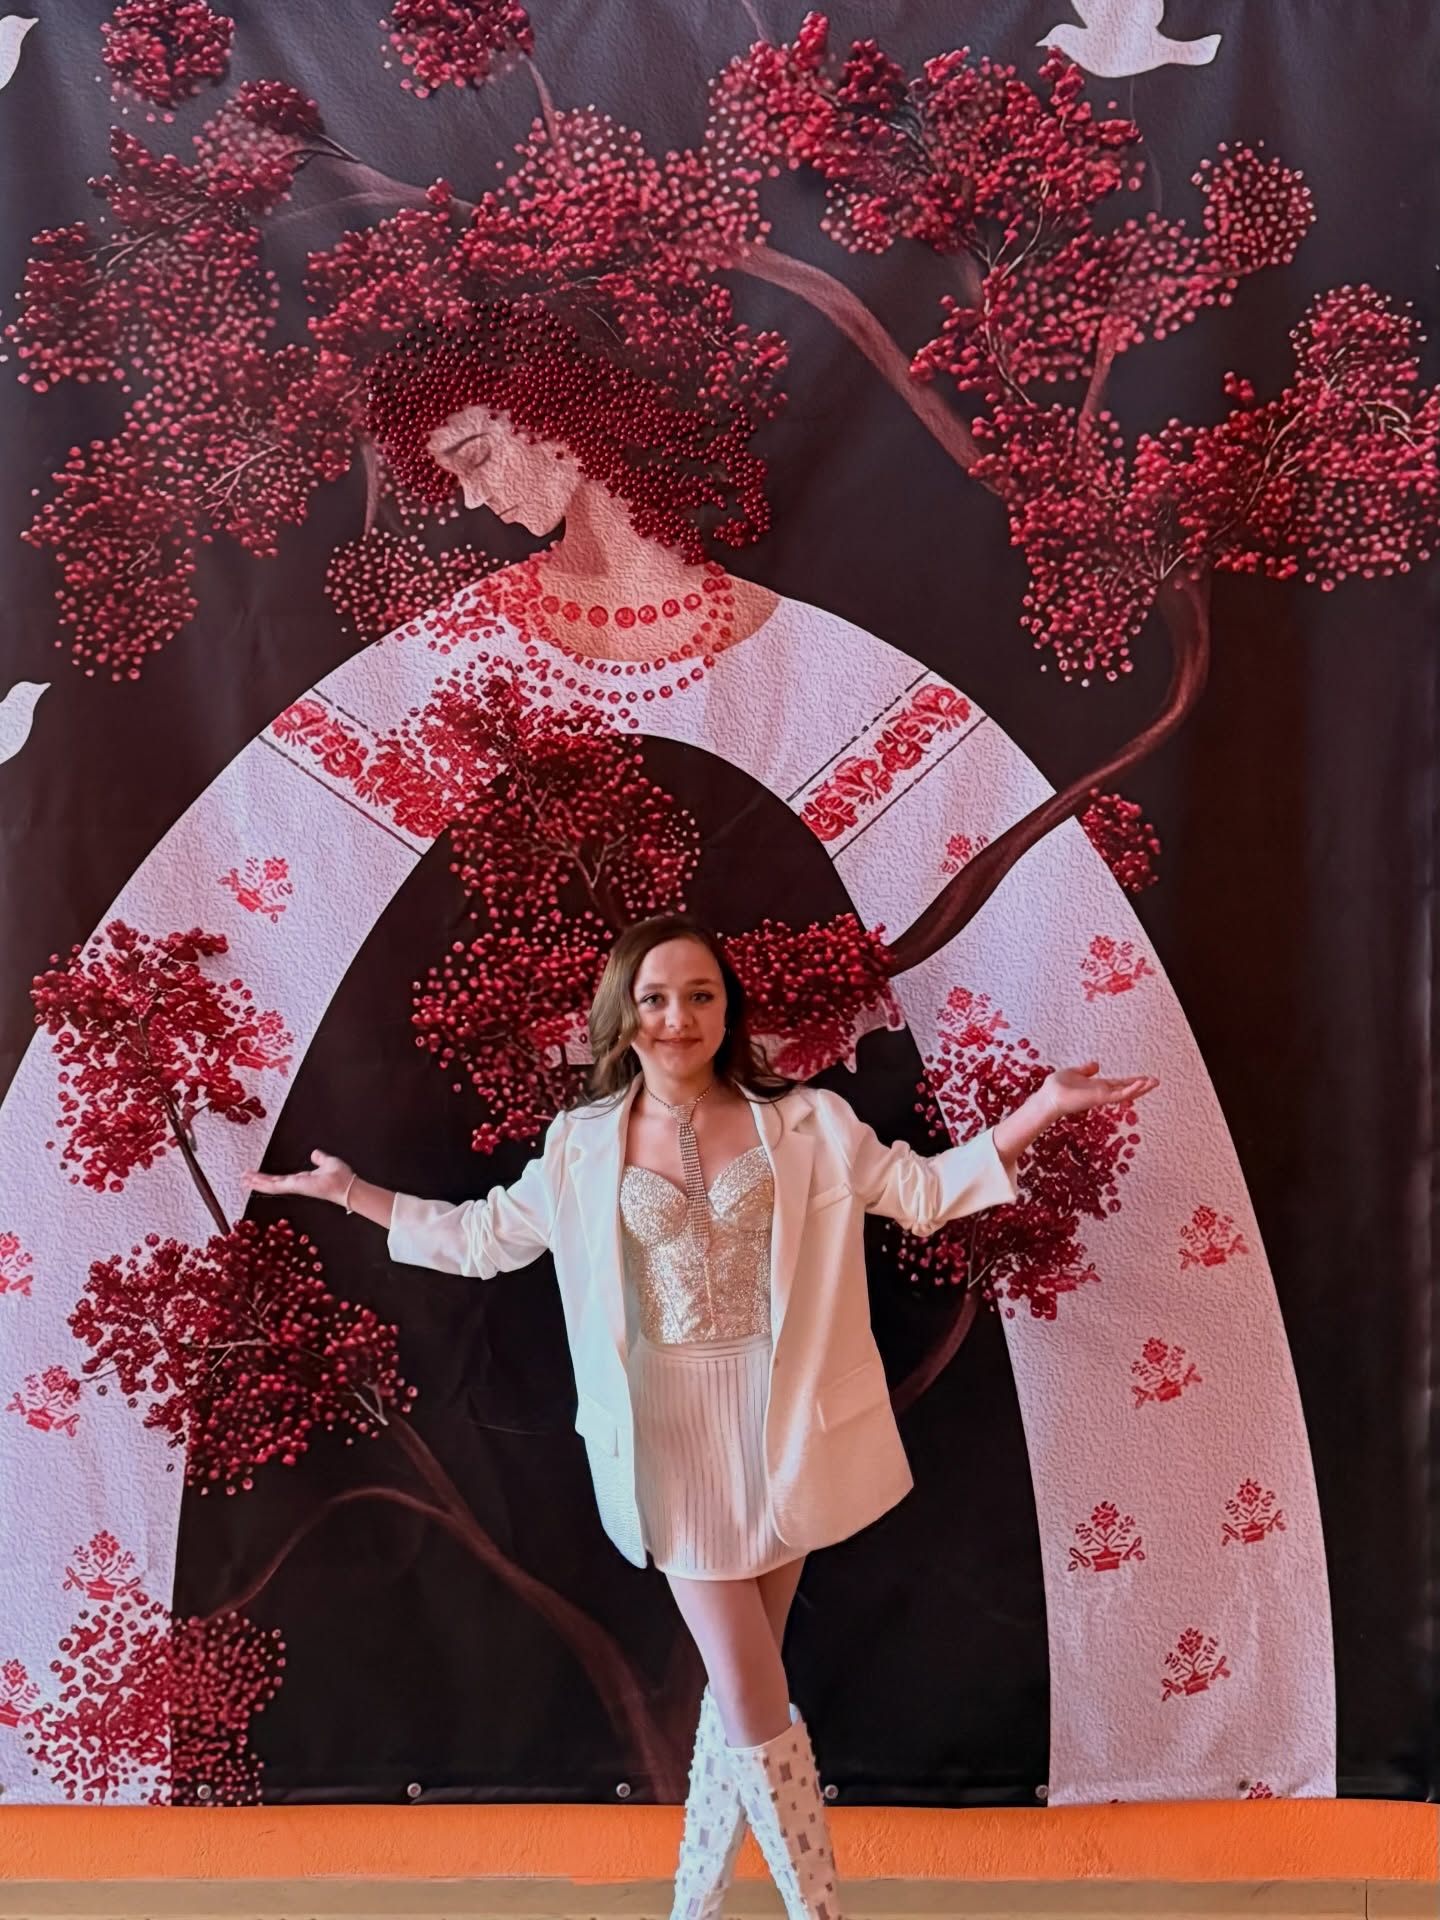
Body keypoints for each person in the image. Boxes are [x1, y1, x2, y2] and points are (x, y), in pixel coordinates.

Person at [244, 912, 1158, 1920]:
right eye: (655, 998)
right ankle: (820, 1909)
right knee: (753, 1693)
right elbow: (483, 1238)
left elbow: (924, 1192)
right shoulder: (583, 1143)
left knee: (740, 1692)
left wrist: (1043, 1108)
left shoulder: (808, 1121)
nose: (677, 1017)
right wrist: (353, 1193)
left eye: (700, 995)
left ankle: (696, 1906)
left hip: (787, 1427)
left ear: (728, 1010)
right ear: (623, 1014)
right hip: (668, 1442)